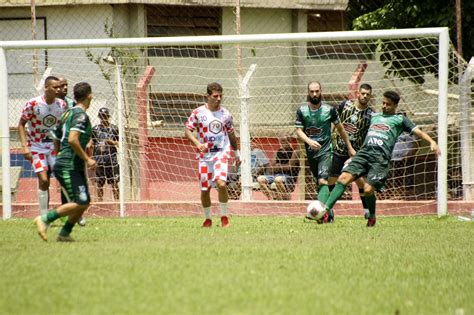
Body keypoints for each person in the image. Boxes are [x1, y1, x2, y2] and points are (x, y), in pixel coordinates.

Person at [323, 90, 441, 227]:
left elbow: (418, 132)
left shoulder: (400, 119)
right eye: (383, 103)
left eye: (388, 104)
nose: (384, 106)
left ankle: (372, 216)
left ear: (395, 105)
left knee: (367, 190)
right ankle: (325, 210)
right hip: (364, 153)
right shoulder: (374, 116)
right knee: (342, 179)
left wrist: (432, 142)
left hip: (380, 158)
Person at [34, 82, 96, 242]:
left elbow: (55, 136)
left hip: (67, 163)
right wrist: (87, 158)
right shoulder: (80, 115)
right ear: (90, 96)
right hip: (69, 165)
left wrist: (59, 154)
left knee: (84, 202)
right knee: (81, 201)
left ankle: (64, 234)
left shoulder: (67, 113)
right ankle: (45, 219)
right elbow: (73, 139)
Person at [295, 81, 355, 221]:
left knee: (323, 181)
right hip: (311, 153)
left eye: (317, 91)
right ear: (308, 93)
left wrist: (350, 147)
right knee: (319, 183)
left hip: (326, 152)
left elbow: (340, 129)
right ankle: (329, 214)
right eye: (312, 91)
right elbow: (298, 130)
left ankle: (322, 215)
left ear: (321, 91)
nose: (315, 94)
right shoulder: (302, 111)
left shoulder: (330, 110)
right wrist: (309, 141)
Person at [184, 82, 239, 228]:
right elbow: (188, 130)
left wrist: (237, 153)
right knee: (205, 189)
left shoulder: (225, 114)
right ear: (207, 96)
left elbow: (232, 134)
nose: (219, 99)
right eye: (215, 96)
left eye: (221, 96)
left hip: (221, 153)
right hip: (205, 157)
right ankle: (208, 219)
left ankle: (224, 217)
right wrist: (197, 143)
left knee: (221, 184)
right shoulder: (198, 112)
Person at [18, 76, 67, 216]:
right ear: (46, 88)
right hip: (36, 147)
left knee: (65, 178)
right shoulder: (33, 103)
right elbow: (21, 124)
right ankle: (44, 215)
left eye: (59, 87)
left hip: (53, 147)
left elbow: (60, 126)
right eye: (55, 87)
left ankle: (73, 213)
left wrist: (61, 147)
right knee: (44, 181)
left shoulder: (61, 105)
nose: (58, 89)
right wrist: (25, 147)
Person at [328, 83, 375, 219]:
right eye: (363, 93)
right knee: (332, 180)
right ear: (358, 93)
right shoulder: (345, 105)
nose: (365, 96)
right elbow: (334, 121)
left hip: (357, 152)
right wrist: (331, 135)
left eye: (368, 94)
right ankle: (329, 210)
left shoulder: (371, 114)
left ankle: (366, 210)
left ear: (370, 96)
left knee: (361, 181)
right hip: (339, 148)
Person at [257, 136, 299, 200]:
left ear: (289, 141)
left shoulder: (294, 152)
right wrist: (280, 167)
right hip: (275, 175)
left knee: (278, 179)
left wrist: (278, 166)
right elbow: (271, 169)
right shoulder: (277, 152)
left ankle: (286, 198)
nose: (283, 142)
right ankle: (271, 198)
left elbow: (289, 167)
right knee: (260, 179)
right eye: (281, 141)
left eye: (284, 140)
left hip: (289, 177)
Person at [91, 107, 120, 201]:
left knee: (114, 182)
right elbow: (91, 143)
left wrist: (112, 142)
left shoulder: (114, 128)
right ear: (99, 117)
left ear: (108, 116)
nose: (103, 118)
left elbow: (120, 144)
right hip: (99, 159)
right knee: (100, 183)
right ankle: (100, 202)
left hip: (112, 159)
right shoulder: (95, 129)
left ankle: (117, 202)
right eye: (101, 116)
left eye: (105, 116)